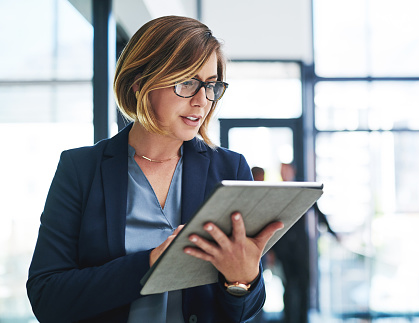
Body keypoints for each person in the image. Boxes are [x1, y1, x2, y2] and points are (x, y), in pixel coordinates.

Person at [26, 16, 283, 323]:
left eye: (211, 85)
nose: (202, 100)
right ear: (140, 84)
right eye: (187, 82)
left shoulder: (230, 168)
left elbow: (242, 312)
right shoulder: (81, 170)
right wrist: (151, 264)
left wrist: (242, 280)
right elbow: (47, 299)